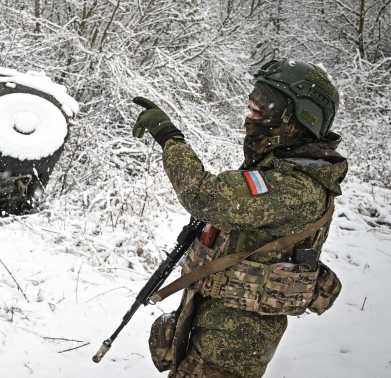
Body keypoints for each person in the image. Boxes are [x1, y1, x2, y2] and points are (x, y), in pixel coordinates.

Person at [133, 59, 347, 378]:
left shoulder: (295, 187)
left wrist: (169, 136)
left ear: (300, 119)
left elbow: (205, 196)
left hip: (230, 350)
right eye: (251, 108)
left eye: (261, 112)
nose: (250, 119)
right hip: (216, 331)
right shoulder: (283, 170)